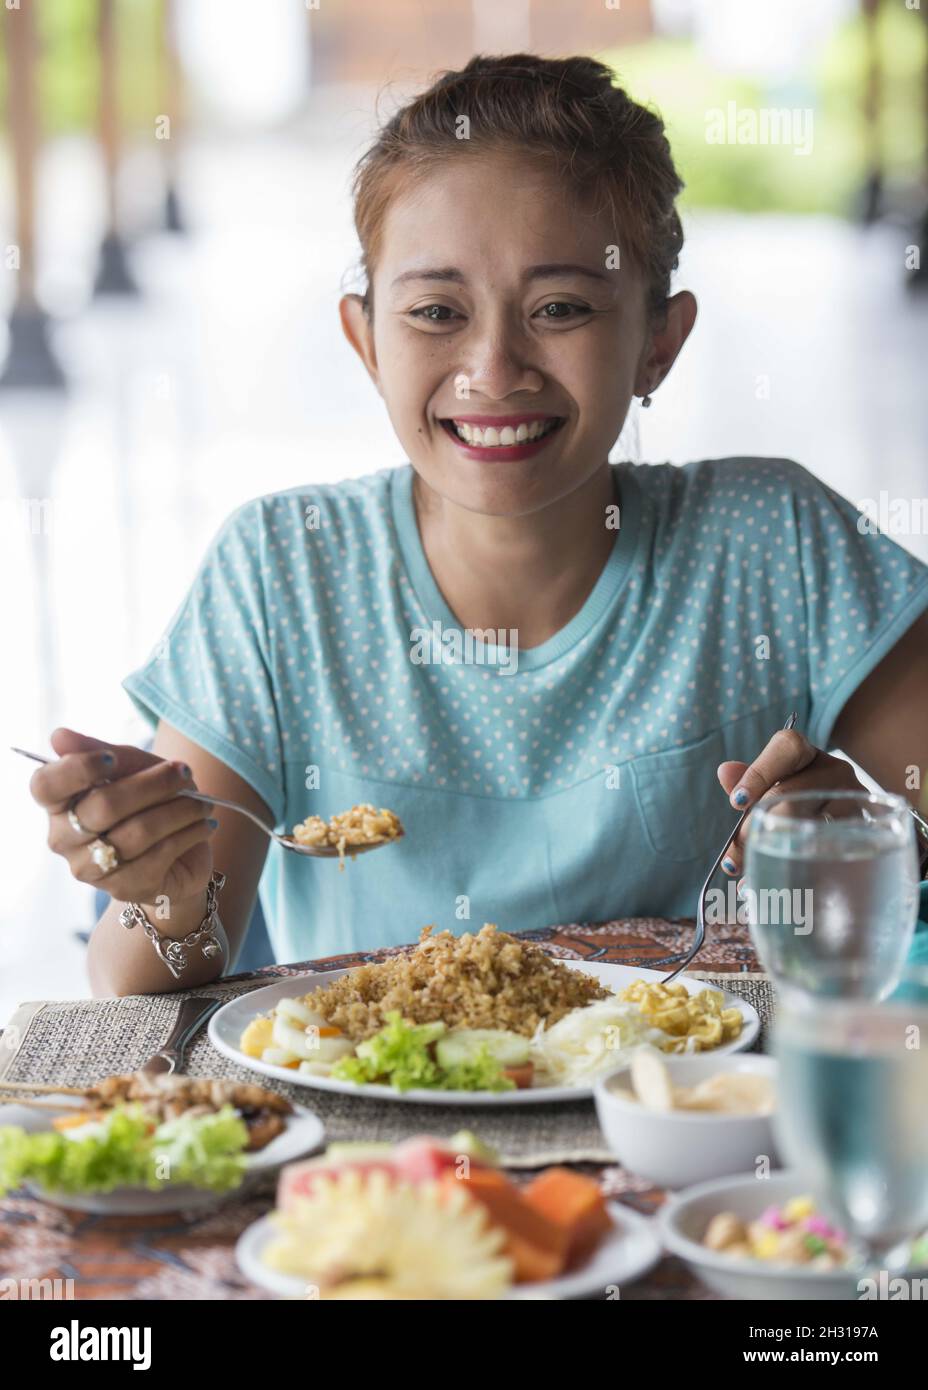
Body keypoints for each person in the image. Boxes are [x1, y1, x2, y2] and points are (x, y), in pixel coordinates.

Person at [30, 55, 928, 997]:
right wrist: (164, 902)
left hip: (697, 1120)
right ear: (367, 340)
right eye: (436, 312)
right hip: (376, 1127)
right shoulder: (281, 575)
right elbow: (144, 983)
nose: (492, 370)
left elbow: (887, 863)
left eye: (561, 308)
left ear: (657, 342)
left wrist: (872, 842)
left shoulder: (773, 545)